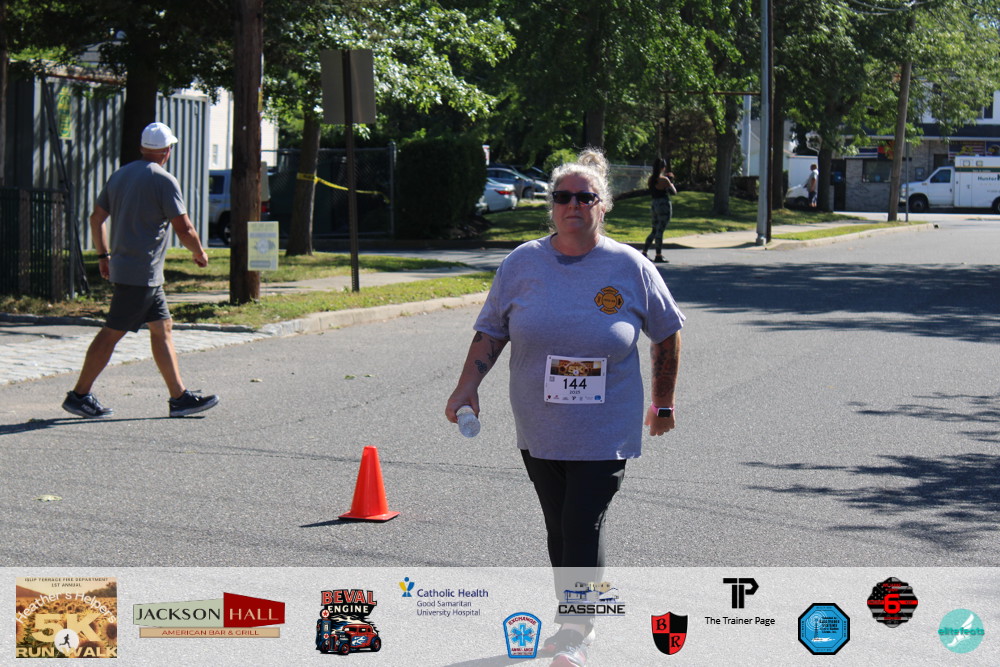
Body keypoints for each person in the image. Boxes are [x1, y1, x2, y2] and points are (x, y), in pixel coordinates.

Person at [446, 148, 684, 667]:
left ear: (603, 205)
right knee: (559, 528)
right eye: (563, 197)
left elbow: (666, 333)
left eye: (585, 197)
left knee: (582, 523)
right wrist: (467, 387)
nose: (573, 204)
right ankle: (573, 615)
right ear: (551, 206)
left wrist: (663, 403)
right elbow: (491, 331)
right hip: (540, 426)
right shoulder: (522, 263)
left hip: (605, 428)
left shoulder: (630, 266)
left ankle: (576, 630)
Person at [61, 122, 219, 419]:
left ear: (142, 147)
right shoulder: (164, 180)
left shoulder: (120, 175)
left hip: (137, 270)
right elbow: (184, 227)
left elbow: (96, 218)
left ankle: (179, 398)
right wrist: (199, 252)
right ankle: (79, 396)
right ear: (167, 150)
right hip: (140, 272)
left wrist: (103, 255)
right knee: (112, 333)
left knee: (162, 328)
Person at [642, 158, 677, 262]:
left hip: (654, 204)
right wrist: (671, 181)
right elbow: (673, 192)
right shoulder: (664, 180)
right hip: (663, 204)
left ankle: (644, 252)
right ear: (663, 168)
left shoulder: (651, 179)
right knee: (660, 230)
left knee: (654, 229)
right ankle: (658, 254)